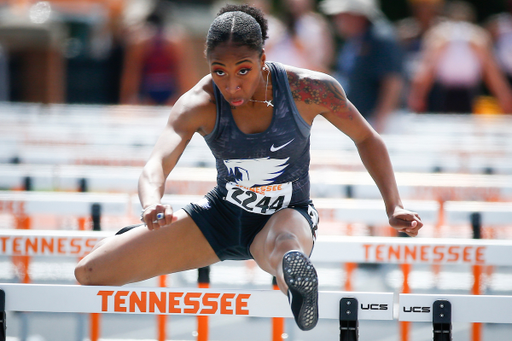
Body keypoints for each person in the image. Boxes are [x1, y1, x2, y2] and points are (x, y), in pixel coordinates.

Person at [75, 4, 423, 331]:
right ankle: (288, 275)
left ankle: (296, 286)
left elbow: (367, 138)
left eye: (244, 69)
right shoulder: (198, 104)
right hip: (221, 216)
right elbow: (157, 163)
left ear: (263, 59)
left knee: (284, 244)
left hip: (287, 213)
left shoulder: (310, 89)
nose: (232, 84)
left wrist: (394, 205)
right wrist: (151, 202)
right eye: (219, 71)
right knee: (90, 271)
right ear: (207, 64)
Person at [407, 1, 512, 114]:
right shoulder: (477, 36)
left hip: (444, 93)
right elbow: (492, 72)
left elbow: (426, 70)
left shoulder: (439, 34)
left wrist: (417, 96)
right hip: (465, 93)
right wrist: (504, 98)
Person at [320, 0, 405, 133]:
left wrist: (379, 123)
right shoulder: (354, 41)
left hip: (376, 122)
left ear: (356, 16)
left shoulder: (380, 38)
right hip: (361, 120)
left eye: (341, 15)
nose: (336, 21)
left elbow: (392, 82)